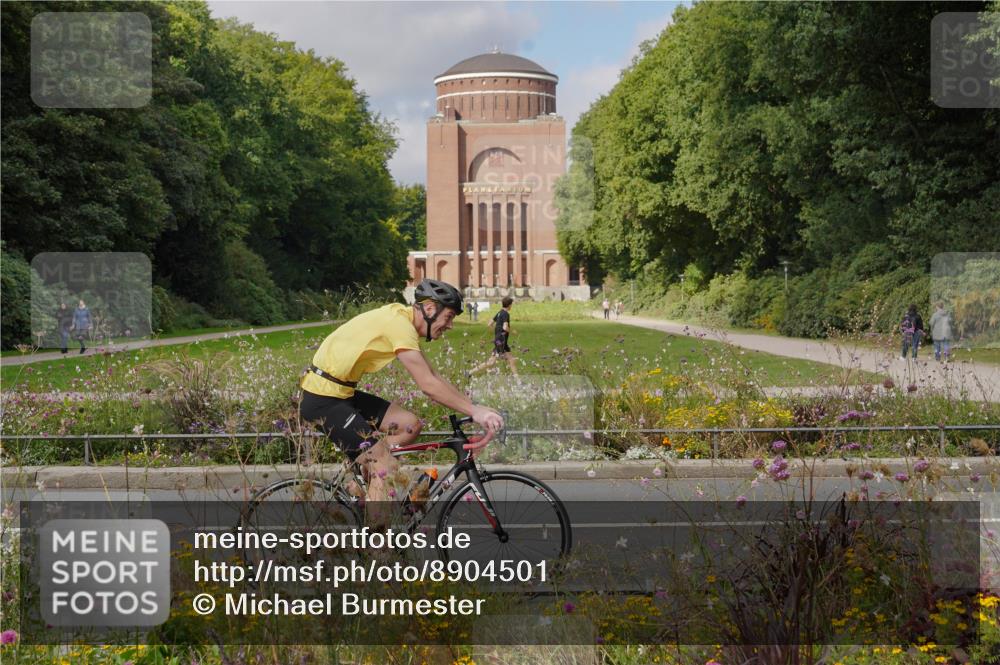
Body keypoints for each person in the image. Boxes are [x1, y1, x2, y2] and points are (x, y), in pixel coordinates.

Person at [299, 279, 504, 520]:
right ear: (429, 309)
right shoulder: (399, 326)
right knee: (386, 467)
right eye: (448, 317)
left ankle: (362, 478)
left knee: (410, 424)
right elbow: (428, 385)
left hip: (342, 392)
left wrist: (474, 407)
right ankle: (377, 549)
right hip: (323, 398)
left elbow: (434, 376)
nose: (450, 325)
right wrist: (476, 412)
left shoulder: (402, 320)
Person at [470, 296, 517, 376]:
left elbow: (490, 323)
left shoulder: (499, 313)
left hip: (500, 340)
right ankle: (469, 372)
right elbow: (505, 327)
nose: (511, 306)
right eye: (511, 304)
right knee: (493, 362)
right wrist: (512, 331)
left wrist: (496, 333)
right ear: (509, 305)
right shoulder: (506, 314)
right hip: (501, 341)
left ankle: (518, 381)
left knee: (510, 360)